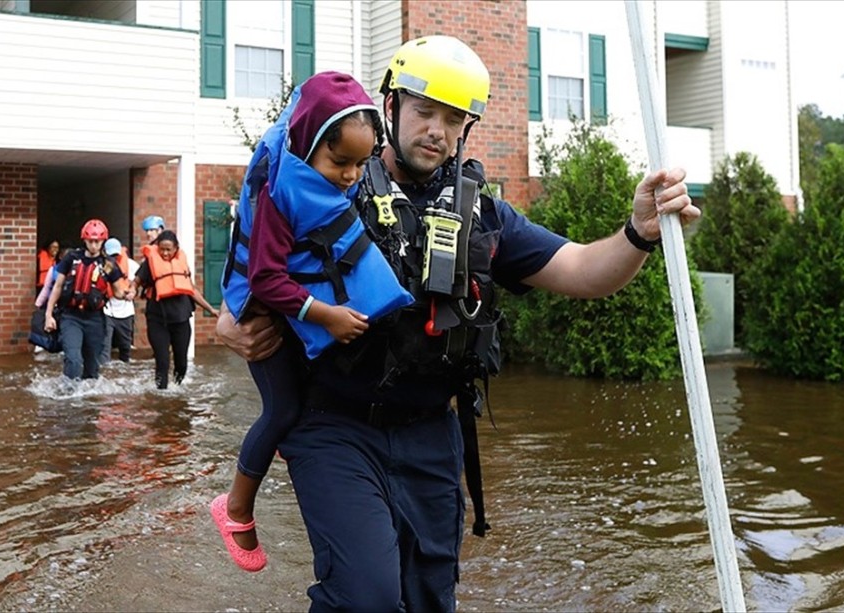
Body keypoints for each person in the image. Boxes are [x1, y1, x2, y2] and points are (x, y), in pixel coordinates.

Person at [216, 36, 700, 610]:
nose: (437, 131)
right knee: (367, 598)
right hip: (333, 425)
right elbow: (254, 254)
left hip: (430, 431)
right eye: (424, 111)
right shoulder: (332, 178)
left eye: (453, 120)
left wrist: (639, 232)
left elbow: (584, 270)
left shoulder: (484, 214)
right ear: (391, 105)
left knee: (429, 599)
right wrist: (229, 321)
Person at [209, 71, 414, 573]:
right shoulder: (281, 194)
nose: (350, 176)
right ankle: (234, 508)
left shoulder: (328, 177)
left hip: (291, 313)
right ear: (307, 145)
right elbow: (264, 279)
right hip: (262, 314)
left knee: (303, 404)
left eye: (360, 164)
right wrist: (327, 315)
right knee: (281, 411)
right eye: (339, 163)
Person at [44, 219, 128, 380]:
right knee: (73, 359)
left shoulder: (108, 264)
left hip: (95, 318)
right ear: (85, 240)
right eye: (90, 241)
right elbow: (57, 287)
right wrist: (49, 315)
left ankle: (87, 394)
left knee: (92, 368)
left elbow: (118, 291)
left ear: (103, 241)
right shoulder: (71, 258)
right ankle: (69, 391)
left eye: (98, 242)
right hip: (71, 316)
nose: (94, 245)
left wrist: (128, 294)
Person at [135, 229, 218, 389]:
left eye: (169, 249)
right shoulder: (150, 263)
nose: (165, 253)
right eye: (162, 249)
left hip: (181, 320)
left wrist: (211, 309)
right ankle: (161, 397)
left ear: (176, 249)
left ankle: (176, 391)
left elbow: (191, 290)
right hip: (157, 320)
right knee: (162, 362)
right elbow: (136, 281)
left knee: (181, 364)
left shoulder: (181, 264)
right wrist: (131, 290)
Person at [99, 238, 139, 364]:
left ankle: (124, 370)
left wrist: (132, 292)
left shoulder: (131, 265)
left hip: (126, 312)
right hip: (107, 311)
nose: (114, 258)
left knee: (125, 347)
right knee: (104, 347)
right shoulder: (101, 266)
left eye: (116, 255)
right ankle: (105, 369)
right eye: (111, 255)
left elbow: (138, 282)